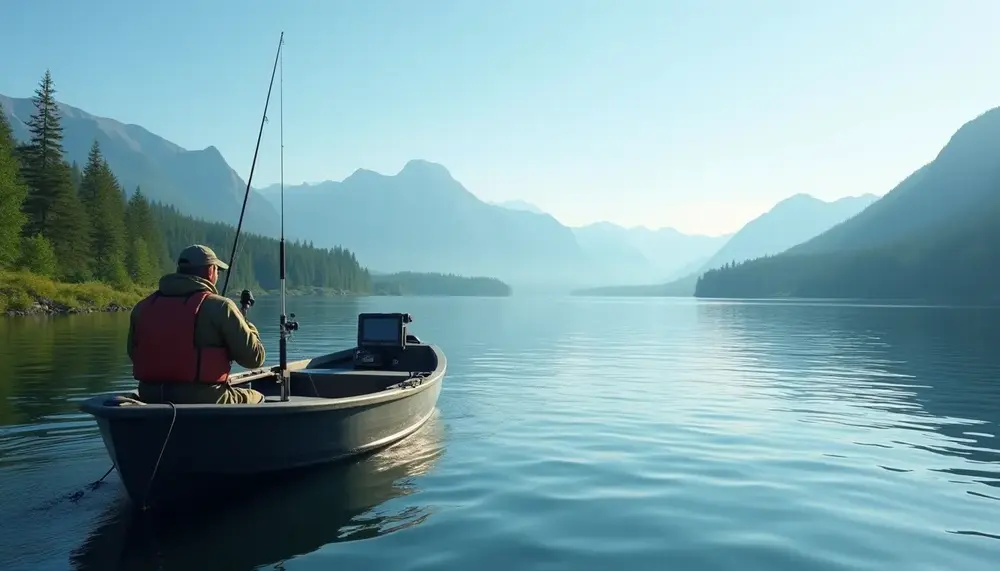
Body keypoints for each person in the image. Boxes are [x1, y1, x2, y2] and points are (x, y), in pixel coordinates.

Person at [127, 244, 267, 404]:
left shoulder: (143, 307)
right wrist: (247, 324)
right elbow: (254, 358)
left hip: (150, 396)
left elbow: (134, 353)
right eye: (217, 270)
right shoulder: (221, 307)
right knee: (257, 397)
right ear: (210, 271)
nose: (217, 276)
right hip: (206, 398)